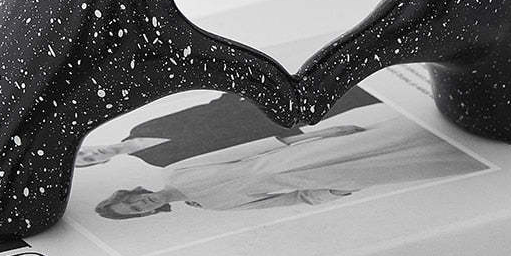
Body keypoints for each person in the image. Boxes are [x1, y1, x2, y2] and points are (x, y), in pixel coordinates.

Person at [95, 117, 481, 219]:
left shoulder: (177, 171)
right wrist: (335, 191)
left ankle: (464, 130)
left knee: (388, 140)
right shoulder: (211, 206)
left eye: (133, 202)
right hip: (321, 178)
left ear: (133, 193)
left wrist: (322, 133)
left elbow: (253, 148)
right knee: (401, 166)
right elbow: (292, 201)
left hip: (298, 154)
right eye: (136, 212)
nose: (141, 205)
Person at [76, 86, 380, 168]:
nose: (93, 154)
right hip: (264, 129)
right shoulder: (157, 160)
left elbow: (198, 111)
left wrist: (234, 96)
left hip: (247, 106)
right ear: (100, 163)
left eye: (85, 153)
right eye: (90, 160)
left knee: (331, 89)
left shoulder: (141, 125)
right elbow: (229, 153)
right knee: (346, 103)